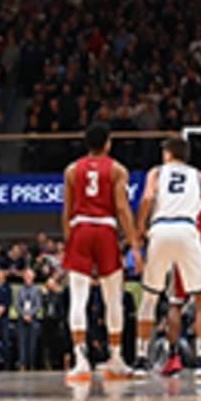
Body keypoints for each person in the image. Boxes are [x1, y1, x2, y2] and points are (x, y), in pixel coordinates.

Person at [134, 136, 201, 380]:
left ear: (168, 154)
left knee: (150, 297)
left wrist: (141, 226)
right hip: (187, 230)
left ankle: (141, 359)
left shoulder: (157, 172)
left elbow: (148, 198)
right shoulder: (200, 176)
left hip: (160, 229)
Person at [62, 122, 139, 383]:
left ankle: (80, 360)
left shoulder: (72, 170)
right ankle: (115, 358)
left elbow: (67, 211)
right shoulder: (117, 169)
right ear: (108, 143)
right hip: (105, 228)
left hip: (80, 227)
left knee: (79, 297)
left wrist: (69, 240)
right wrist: (135, 245)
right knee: (112, 298)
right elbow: (122, 208)